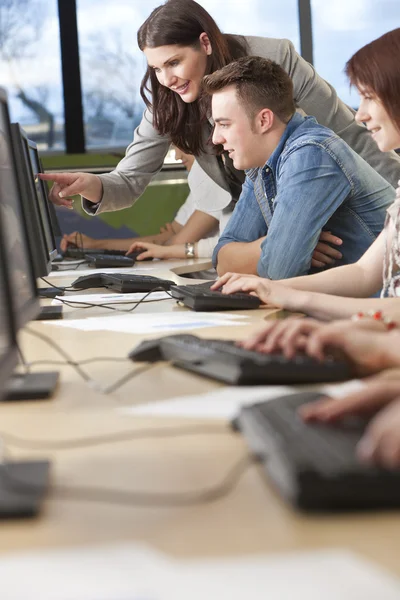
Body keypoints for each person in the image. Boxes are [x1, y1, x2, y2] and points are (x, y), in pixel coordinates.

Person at [215, 28, 400, 469]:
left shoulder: (311, 150)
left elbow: (278, 266)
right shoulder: (265, 163)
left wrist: (373, 341)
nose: (360, 115)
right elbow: (365, 277)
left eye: (370, 97)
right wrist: (284, 294)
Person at [39, 0, 400, 222]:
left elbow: (352, 138)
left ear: (205, 43)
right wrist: (93, 185)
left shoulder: (277, 58)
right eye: (156, 68)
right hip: (245, 221)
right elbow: (129, 181)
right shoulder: (167, 100)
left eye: (174, 62)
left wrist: (395, 207)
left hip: (316, 211)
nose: (167, 79)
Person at [203, 56, 393, 278]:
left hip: (379, 306)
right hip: (332, 304)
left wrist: (279, 250)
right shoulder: (261, 166)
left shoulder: (311, 154)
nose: (216, 138)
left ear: (264, 120)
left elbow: (278, 271)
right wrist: (275, 243)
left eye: (224, 124)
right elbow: (222, 260)